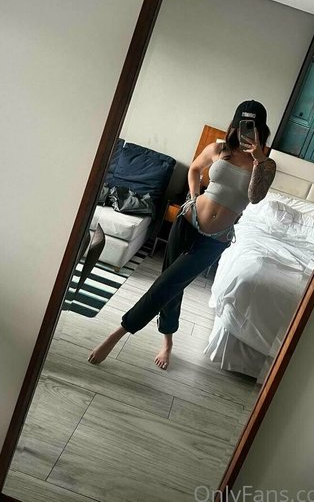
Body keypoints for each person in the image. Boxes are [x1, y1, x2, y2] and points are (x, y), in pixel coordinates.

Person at [88, 100, 277, 369]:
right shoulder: (218, 149)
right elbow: (194, 169)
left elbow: (255, 197)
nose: (245, 132)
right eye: (241, 125)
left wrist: (258, 158)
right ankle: (167, 341)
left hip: (215, 240)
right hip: (187, 222)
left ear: (261, 130)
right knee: (170, 284)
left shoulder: (266, 165)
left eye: (252, 127)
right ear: (235, 126)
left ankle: (117, 333)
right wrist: (193, 196)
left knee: (169, 283)